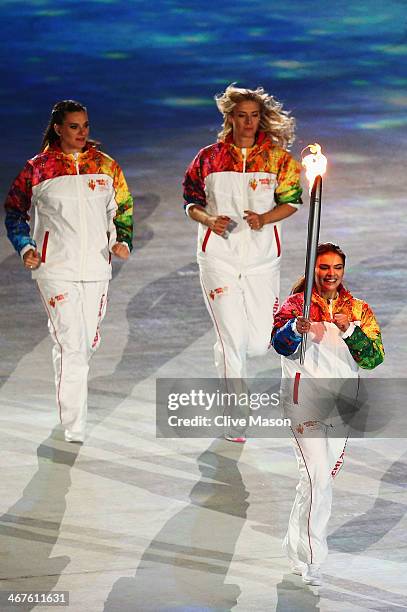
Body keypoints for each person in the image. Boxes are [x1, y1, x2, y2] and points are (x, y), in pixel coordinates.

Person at [4, 100, 133, 443]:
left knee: (84, 343)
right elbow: (14, 213)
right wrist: (27, 247)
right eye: (74, 126)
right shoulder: (38, 169)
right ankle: (74, 425)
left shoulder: (106, 167)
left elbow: (123, 210)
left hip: (96, 268)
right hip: (54, 268)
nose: (81, 133)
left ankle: (68, 375)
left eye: (85, 126)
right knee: (73, 344)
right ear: (59, 128)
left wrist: (123, 242)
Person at [183, 84, 303, 442]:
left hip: (262, 260)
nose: (248, 123)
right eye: (241, 116)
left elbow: (293, 201)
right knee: (232, 338)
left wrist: (264, 219)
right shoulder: (208, 157)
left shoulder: (277, 159)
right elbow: (190, 200)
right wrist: (209, 220)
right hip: (217, 256)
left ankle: (226, 350)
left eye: (253, 116)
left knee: (255, 343)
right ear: (229, 118)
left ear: (260, 119)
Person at [271, 243, 384, 586]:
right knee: (318, 479)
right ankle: (312, 560)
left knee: (315, 482)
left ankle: (294, 546)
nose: (330, 273)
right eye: (323, 267)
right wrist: (294, 329)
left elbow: (374, 358)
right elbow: (278, 343)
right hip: (303, 401)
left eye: (336, 267)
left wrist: (350, 330)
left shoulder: (359, 309)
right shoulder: (296, 306)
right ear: (313, 269)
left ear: (343, 271)